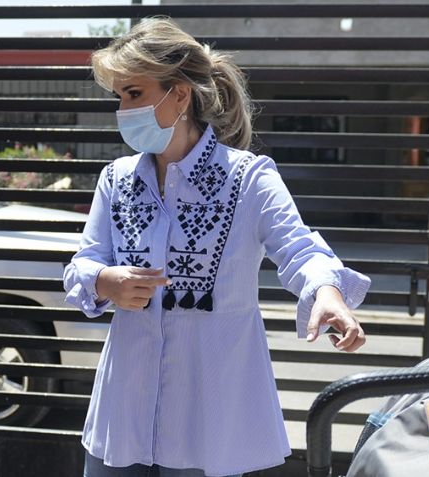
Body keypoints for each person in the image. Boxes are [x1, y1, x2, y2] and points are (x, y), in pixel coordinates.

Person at [63, 17, 370, 477]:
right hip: (123, 411)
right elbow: (84, 262)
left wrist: (328, 295)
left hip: (207, 415)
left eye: (133, 94)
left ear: (179, 94)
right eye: (120, 97)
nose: (123, 110)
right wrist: (104, 280)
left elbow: (300, 249)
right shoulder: (117, 180)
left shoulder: (248, 178)